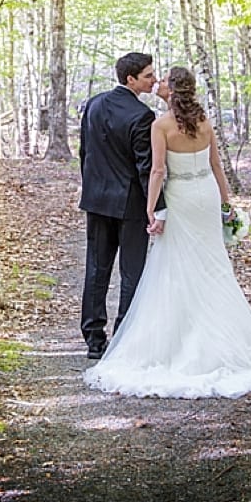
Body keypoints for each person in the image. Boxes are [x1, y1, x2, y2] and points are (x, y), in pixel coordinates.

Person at [84, 66, 251, 398]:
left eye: (162, 82)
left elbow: (158, 170)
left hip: (180, 198)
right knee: (212, 265)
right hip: (205, 196)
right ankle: (222, 336)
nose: (156, 82)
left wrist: (151, 209)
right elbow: (217, 166)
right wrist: (227, 202)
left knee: (174, 264)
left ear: (171, 91)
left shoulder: (160, 125)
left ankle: (180, 339)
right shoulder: (204, 122)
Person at [78, 52, 166, 360]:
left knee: (97, 268)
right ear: (130, 79)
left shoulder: (93, 104)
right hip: (129, 204)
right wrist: (157, 208)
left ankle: (93, 338)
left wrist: (90, 186)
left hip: (96, 199)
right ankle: (123, 336)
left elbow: (85, 153)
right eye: (148, 76)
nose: (154, 80)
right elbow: (146, 167)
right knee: (132, 272)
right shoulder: (142, 116)